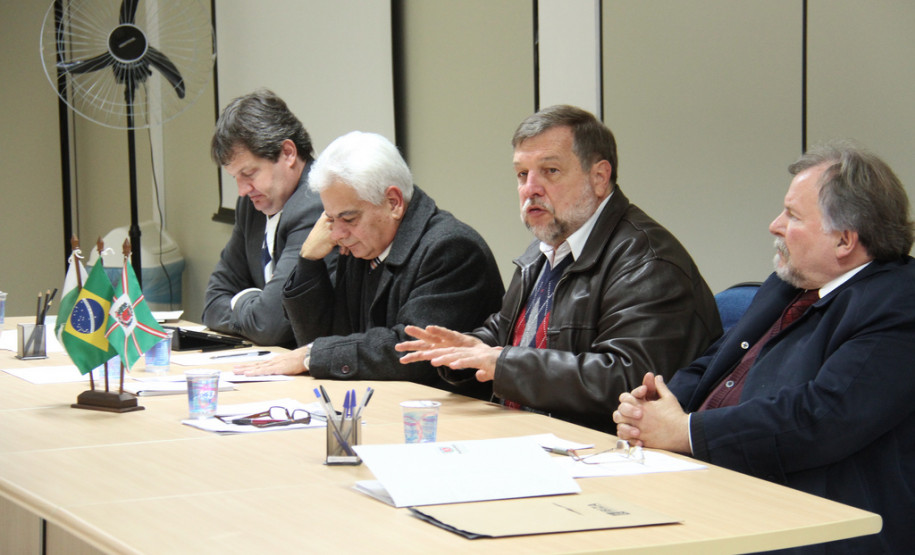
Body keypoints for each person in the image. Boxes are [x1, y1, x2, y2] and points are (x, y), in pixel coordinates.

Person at [613, 141, 915, 553]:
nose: (775, 224)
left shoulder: (898, 304)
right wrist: (652, 407)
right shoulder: (788, 284)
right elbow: (713, 363)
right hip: (714, 483)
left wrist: (684, 431)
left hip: (814, 520)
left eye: (792, 215)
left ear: (845, 240)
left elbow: (822, 418)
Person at [396, 105, 721, 432]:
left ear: (599, 177)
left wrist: (503, 364)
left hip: (601, 453)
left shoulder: (647, 261)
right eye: (522, 174)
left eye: (550, 171)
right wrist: (465, 352)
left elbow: (626, 380)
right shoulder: (548, 247)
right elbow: (506, 334)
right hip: (532, 438)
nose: (530, 189)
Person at [235, 131, 504, 397]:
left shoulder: (451, 248)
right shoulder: (360, 247)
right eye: (329, 219)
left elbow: (412, 350)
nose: (336, 233)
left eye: (348, 219)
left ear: (393, 202)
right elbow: (327, 339)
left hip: (447, 418)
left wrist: (312, 355)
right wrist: (308, 261)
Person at [202, 89, 331, 347]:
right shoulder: (251, 207)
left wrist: (240, 301)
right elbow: (212, 301)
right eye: (235, 178)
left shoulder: (317, 204)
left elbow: (270, 325)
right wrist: (255, 306)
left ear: (288, 153)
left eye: (249, 173)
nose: (241, 190)